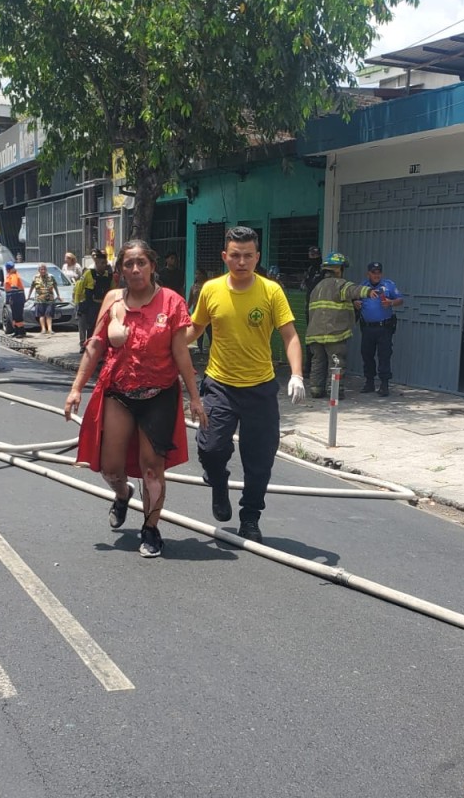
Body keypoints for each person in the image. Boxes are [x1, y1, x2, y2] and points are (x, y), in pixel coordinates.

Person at [64, 240, 207, 558]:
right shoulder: (114, 300)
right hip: (119, 392)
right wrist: (75, 389)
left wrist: (194, 398)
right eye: (128, 264)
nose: (135, 269)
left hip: (159, 395)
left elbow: (181, 353)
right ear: (121, 270)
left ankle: (151, 529)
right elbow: (96, 346)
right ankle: (122, 493)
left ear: (152, 266)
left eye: (141, 262)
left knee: (152, 468)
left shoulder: (171, 302)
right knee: (110, 466)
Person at [187, 226, 306, 543]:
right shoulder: (210, 290)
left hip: (260, 389)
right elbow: (193, 330)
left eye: (248, 256)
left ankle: (250, 518)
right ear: (225, 256)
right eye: (235, 256)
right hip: (220, 386)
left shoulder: (271, 291)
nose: (241, 262)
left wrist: (297, 374)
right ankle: (218, 481)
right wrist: (160, 347)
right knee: (210, 448)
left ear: (257, 257)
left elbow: (290, 335)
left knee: (260, 460)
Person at [304, 251, 385, 398]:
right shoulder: (339, 284)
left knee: (318, 362)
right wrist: (368, 291)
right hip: (333, 333)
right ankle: (335, 391)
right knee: (336, 362)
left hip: (314, 333)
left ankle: (316, 390)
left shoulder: (317, 288)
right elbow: (352, 290)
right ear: (338, 269)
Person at [357, 261, 404, 397]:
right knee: (367, 355)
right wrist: (356, 303)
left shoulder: (388, 285)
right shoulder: (363, 286)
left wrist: (391, 302)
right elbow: (354, 299)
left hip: (384, 327)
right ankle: (369, 382)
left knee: (384, 355)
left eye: (379, 273)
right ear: (368, 274)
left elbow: (400, 300)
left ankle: (384, 385)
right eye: (373, 273)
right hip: (367, 328)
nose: (376, 275)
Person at [73, 249, 114, 349]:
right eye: (102, 263)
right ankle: (88, 346)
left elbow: (113, 290)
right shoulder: (88, 273)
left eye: (105, 263)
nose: (104, 265)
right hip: (91, 305)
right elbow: (79, 288)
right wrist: (78, 303)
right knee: (90, 327)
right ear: (96, 263)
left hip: (104, 306)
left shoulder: (108, 276)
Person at [28, 263, 59, 334]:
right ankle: (43, 329)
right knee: (41, 315)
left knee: (49, 315)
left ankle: (50, 329)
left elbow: (55, 286)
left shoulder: (51, 277)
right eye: (41, 269)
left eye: (44, 269)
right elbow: (32, 287)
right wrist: (28, 296)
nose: (43, 271)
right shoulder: (35, 277)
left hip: (50, 299)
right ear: (38, 270)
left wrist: (58, 295)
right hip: (39, 299)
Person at [187, 268, 210, 354]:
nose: (197, 275)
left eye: (199, 273)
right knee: (198, 330)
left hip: (207, 310)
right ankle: (200, 349)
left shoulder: (208, 286)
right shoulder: (194, 287)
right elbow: (190, 300)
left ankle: (211, 349)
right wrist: (186, 310)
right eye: (196, 274)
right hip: (196, 309)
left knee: (209, 330)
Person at [4, 260, 26, 339]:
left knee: (18, 315)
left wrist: (10, 298)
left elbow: (14, 287)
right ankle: (17, 331)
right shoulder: (9, 275)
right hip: (14, 297)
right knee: (15, 315)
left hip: (17, 298)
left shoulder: (14, 276)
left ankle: (21, 332)